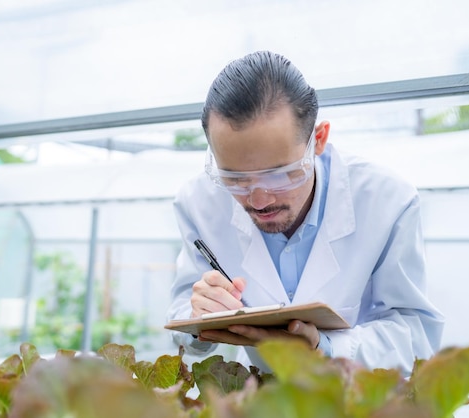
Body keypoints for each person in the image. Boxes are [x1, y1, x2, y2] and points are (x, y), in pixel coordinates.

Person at [166, 50, 444, 374]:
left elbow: (416, 334)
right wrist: (200, 317)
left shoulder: (388, 201)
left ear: (319, 140)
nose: (258, 199)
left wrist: (325, 349)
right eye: (235, 179)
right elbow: (183, 313)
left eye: (279, 173)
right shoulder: (197, 202)